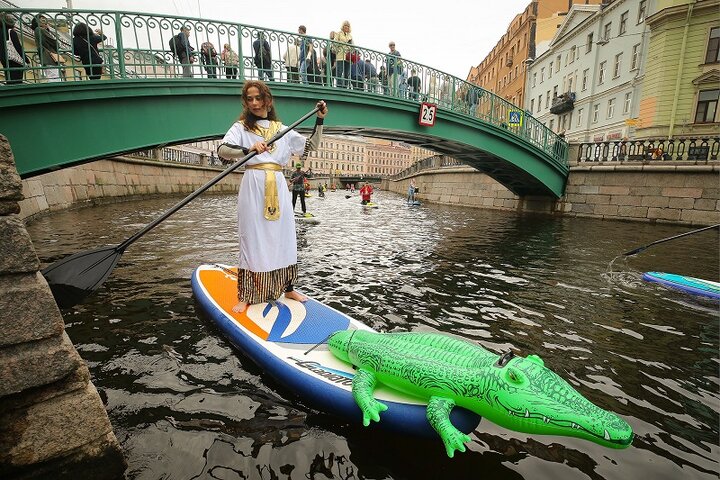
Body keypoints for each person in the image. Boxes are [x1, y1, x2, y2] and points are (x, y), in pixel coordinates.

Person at [217, 81, 328, 313]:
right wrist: (248, 149)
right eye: (250, 99)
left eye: (259, 98)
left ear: (268, 99)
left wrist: (319, 119)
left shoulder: (282, 130)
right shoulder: (241, 128)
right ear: (246, 102)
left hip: (278, 185)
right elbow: (223, 151)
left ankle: (288, 288)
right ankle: (247, 294)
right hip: (253, 184)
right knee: (251, 237)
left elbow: (312, 146)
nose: (255, 103)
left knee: (283, 237)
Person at [31, 14, 62, 82]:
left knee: (52, 77)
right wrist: (47, 31)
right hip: (49, 58)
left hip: (45, 57)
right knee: (54, 78)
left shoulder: (37, 30)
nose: (46, 23)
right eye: (43, 20)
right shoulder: (40, 30)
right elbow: (55, 43)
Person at [1, 14, 29, 85]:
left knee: (10, 80)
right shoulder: (11, 32)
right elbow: (18, 47)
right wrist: (27, 60)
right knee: (17, 82)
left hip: (4, 60)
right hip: (14, 60)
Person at [333, 21, 352, 88]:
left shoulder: (350, 36)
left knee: (346, 73)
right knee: (339, 72)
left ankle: (345, 86)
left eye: (348, 26)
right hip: (340, 55)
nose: (346, 27)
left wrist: (350, 47)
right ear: (343, 26)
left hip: (348, 56)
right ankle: (339, 86)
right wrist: (337, 48)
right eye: (345, 25)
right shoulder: (338, 33)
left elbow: (353, 46)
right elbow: (334, 43)